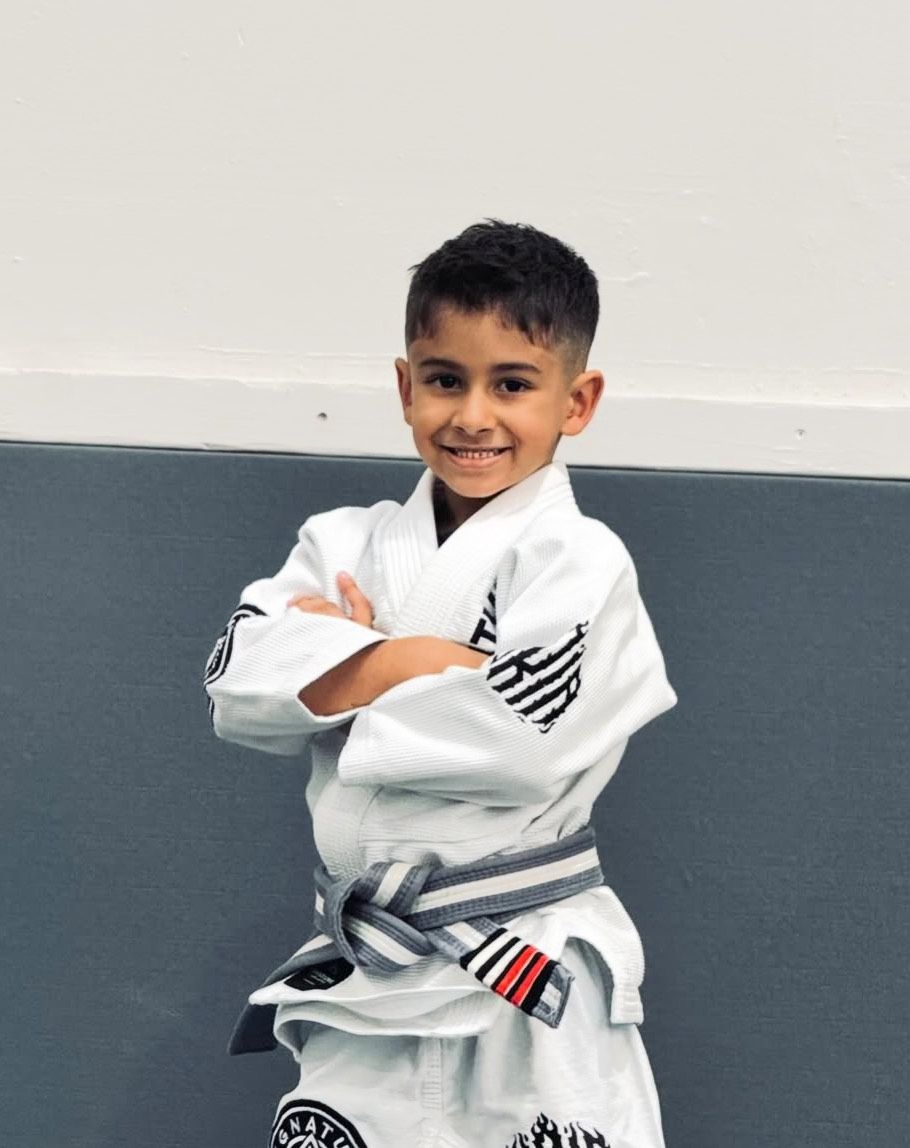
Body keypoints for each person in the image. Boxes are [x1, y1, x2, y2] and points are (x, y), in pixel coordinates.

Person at [203, 219, 678, 1148]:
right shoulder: (340, 542)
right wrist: (422, 662)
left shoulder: (580, 559)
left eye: (512, 384)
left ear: (577, 401)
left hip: (524, 966)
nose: (473, 415)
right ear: (404, 384)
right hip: (370, 968)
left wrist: (346, 664)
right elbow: (237, 685)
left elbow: (521, 739)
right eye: (445, 379)